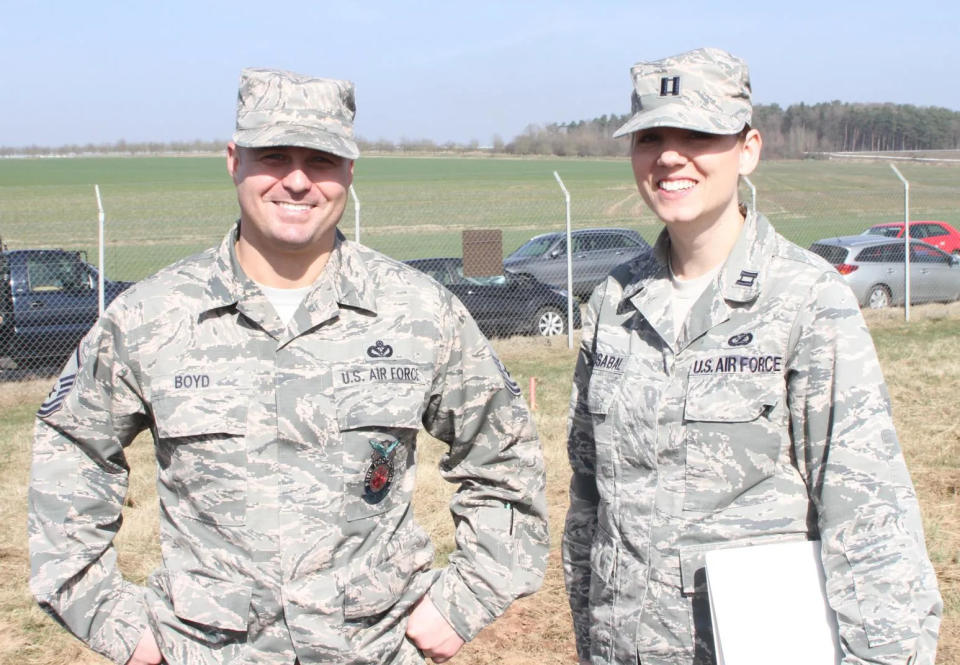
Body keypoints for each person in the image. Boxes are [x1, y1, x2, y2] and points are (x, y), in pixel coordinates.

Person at [28, 68, 548, 665]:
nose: (298, 181)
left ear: (349, 172)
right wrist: (116, 624)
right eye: (274, 155)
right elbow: (71, 452)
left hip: (375, 648)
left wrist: (462, 602)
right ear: (234, 160)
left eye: (321, 160)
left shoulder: (419, 313)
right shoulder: (151, 317)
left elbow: (505, 455)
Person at [562, 48, 941, 665]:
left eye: (699, 134)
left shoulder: (806, 298)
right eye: (650, 136)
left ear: (748, 148)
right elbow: (588, 502)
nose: (669, 156)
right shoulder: (615, 302)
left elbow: (868, 511)